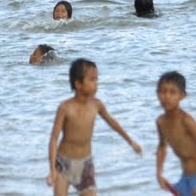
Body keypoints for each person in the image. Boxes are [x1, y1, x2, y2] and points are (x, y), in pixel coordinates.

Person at [46, 59, 142, 195]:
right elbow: (54, 138)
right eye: (92, 80)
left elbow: (112, 123)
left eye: (97, 79)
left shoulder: (96, 105)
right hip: (64, 163)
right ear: (78, 84)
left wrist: (131, 142)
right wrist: (52, 170)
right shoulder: (65, 108)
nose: (96, 84)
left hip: (86, 164)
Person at [156, 71, 196, 195]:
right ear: (157, 93)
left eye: (172, 92)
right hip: (185, 178)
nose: (166, 96)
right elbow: (162, 147)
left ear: (182, 96)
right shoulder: (161, 122)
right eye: (163, 91)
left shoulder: (186, 121)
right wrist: (159, 173)